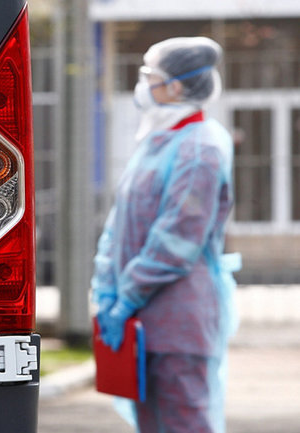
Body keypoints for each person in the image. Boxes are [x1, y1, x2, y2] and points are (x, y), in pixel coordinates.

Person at [92, 37, 241, 433]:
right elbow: (119, 225)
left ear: (175, 86)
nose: (143, 84)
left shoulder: (201, 149)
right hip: (141, 323)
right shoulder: (158, 142)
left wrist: (127, 295)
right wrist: (106, 289)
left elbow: (177, 241)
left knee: (185, 423)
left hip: (179, 324)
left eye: (150, 75)